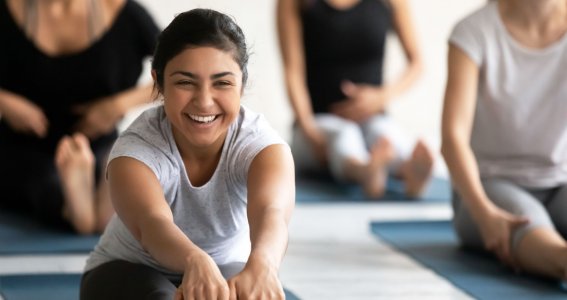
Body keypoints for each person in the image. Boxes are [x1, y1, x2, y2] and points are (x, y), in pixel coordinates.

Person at [79, 8, 295, 300]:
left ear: (241, 84)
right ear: (158, 82)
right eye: (185, 82)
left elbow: (272, 212)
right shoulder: (134, 152)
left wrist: (263, 265)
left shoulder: (263, 147)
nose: (204, 102)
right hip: (127, 271)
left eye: (222, 82)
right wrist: (196, 259)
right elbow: (152, 224)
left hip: (222, 269)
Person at [0, 0, 159, 234]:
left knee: (122, 167)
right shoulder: (8, 9)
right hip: (22, 147)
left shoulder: (125, 13)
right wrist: (6, 101)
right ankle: (78, 211)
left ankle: (96, 202)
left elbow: (183, 72)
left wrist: (116, 105)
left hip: (96, 145)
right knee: (43, 181)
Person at [442, 0, 567, 281]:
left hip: (558, 183)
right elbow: (453, 138)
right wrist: (483, 211)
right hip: (488, 188)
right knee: (539, 235)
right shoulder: (473, 32)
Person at [277, 0, 434, 198]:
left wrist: (381, 97)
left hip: (372, 119)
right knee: (345, 134)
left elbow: (417, 63)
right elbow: (292, 72)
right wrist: (309, 130)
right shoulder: (294, 3)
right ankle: (365, 171)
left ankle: (409, 171)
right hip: (316, 123)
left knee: (385, 133)